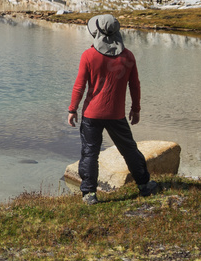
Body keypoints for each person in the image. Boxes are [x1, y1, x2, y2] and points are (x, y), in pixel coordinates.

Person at [67, 14, 158, 205]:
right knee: (129, 150)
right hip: (116, 115)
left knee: (90, 152)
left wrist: (72, 109)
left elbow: (79, 86)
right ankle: (144, 185)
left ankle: (89, 194)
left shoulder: (89, 55)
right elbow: (135, 86)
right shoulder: (128, 56)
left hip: (91, 114)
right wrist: (136, 108)